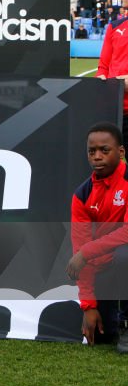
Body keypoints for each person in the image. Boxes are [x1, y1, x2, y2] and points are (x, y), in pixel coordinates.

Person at [66, 122, 128, 348]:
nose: (97, 156)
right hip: (108, 264)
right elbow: (80, 252)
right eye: (92, 151)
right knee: (101, 336)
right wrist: (89, 305)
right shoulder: (82, 195)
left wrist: (86, 252)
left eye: (105, 150)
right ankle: (116, 326)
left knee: (125, 255)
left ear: (121, 152)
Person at [95, 10, 128, 138]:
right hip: (114, 110)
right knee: (107, 157)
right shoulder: (114, 26)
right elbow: (103, 66)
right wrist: (100, 79)